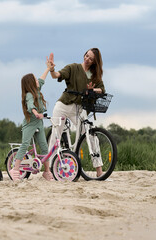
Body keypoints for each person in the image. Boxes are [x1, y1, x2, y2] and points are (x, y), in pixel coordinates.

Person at [47, 48, 106, 177]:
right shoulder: (73, 67)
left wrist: (92, 89)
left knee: (91, 136)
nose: (87, 59)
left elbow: (102, 89)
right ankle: (49, 170)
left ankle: (99, 170)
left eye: (91, 59)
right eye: (86, 56)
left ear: (95, 62)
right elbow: (56, 75)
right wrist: (52, 69)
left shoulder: (94, 75)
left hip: (79, 108)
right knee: (55, 136)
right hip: (63, 104)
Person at [8, 67, 53, 181]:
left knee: (44, 147)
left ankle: (47, 172)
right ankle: (15, 169)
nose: (38, 81)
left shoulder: (37, 91)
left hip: (39, 123)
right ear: (30, 84)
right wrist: (36, 112)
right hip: (30, 123)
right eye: (35, 80)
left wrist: (48, 68)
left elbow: (42, 79)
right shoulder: (29, 94)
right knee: (25, 144)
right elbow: (30, 105)